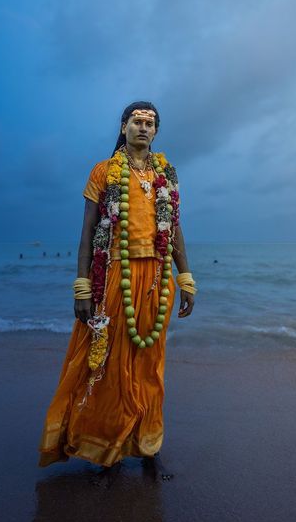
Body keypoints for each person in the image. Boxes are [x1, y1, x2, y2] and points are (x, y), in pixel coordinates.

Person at [38, 101, 196, 483]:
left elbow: (173, 230)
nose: (144, 128)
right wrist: (82, 288)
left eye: (150, 123)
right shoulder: (104, 172)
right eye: (137, 122)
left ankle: (148, 449)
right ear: (123, 126)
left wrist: (186, 276)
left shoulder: (167, 174)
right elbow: (88, 234)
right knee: (107, 366)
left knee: (149, 370)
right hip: (113, 279)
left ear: (156, 131)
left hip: (157, 282)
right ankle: (105, 452)